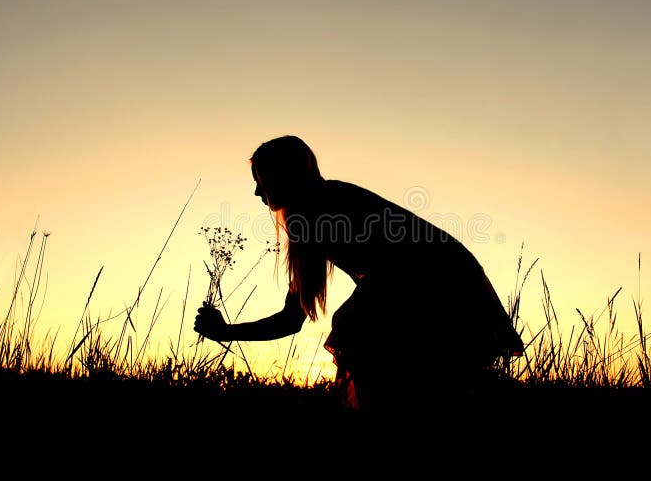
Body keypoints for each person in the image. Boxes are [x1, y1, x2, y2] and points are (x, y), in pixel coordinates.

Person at [194, 135, 524, 416]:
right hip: (447, 278)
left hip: (444, 284)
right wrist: (226, 332)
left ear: (281, 177)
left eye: (260, 178)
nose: (256, 192)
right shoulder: (324, 204)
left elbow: (294, 319)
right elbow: (292, 319)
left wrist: (224, 332)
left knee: (358, 330)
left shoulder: (316, 211)